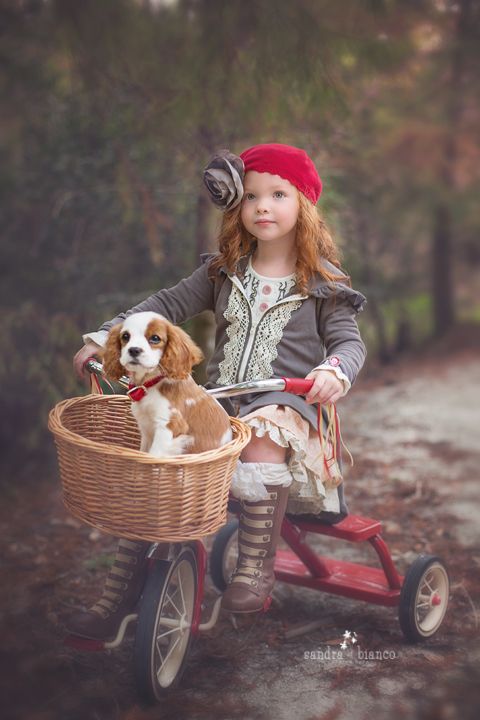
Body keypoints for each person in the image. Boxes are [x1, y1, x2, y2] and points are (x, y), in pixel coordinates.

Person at [68, 142, 366, 640]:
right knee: (156, 460)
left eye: (278, 194)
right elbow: (166, 304)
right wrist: (110, 334)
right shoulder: (223, 270)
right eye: (250, 197)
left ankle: (255, 566)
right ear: (236, 207)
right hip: (220, 403)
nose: (263, 206)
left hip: (287, 404)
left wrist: (334, 370)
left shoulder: (324, 283)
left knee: (264, 430)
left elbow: (347, 341)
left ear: (305, 205)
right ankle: (120, 591)